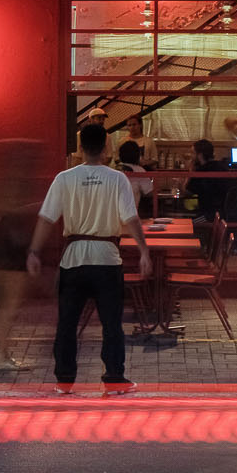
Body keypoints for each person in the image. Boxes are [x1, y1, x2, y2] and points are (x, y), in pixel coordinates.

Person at [28, 121, 141, 393]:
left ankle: (65, 379)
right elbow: (131, 218)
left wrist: (33, 251)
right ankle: (114, 377)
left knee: (67, 322)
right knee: (111, 324)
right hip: (107, 260)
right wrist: (144, 250)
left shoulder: (64, 178)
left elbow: (46, 218)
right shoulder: (117, 179)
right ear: (105, 147)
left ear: (80, 148)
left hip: (73, 260)